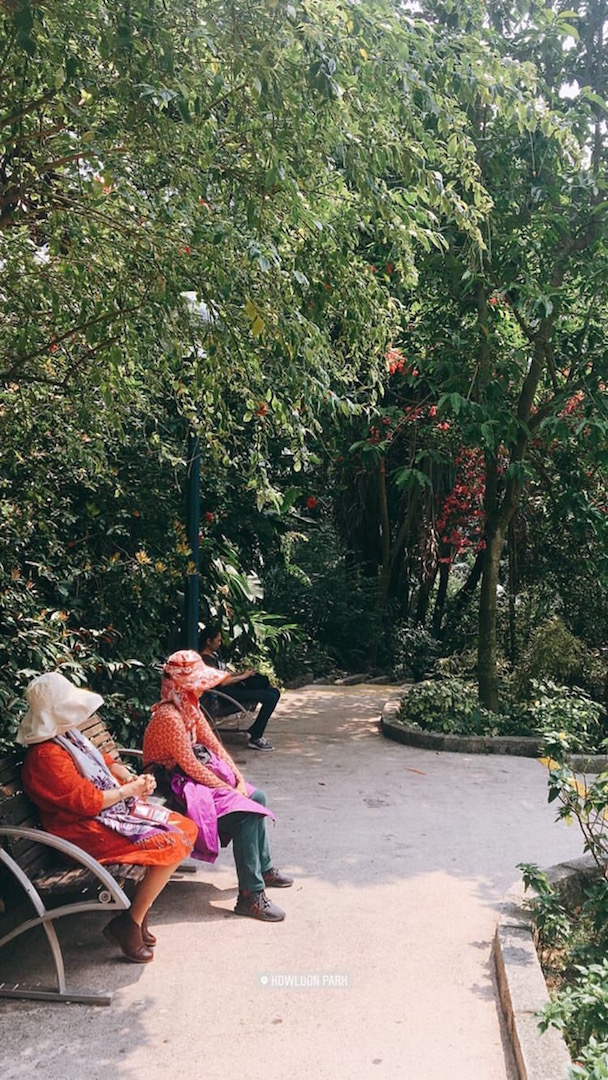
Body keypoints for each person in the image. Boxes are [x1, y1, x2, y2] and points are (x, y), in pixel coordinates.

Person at [18, 671, 198, 965]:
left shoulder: (66, 736)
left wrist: (131, 778)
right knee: (170, 841)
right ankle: (128, 923)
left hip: (103, 819)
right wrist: (131, 790)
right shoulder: (46, 757)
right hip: (78, 834)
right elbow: (88, 802)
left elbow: (106, 762)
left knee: (184, 828)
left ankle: (135, 915)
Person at [142, 650, 293, 921]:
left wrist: (237, 778)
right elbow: (191, 766)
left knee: (256, 796)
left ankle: (263, 867)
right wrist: (228, 790)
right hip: (171, 790)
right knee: (248, 813)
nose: (202, 688)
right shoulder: (169, 717)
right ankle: (251, 896)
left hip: (190, 781)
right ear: (182, 684)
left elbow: (214, 746)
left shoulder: (188, 707)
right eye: (197, 683)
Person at [198, 624, 281, 751]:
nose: (220, 643)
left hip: (230, 690)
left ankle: (255, 730)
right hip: (222, 696)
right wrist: (243, 677)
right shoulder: (205, 660)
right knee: (270, 697)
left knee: (274, 692)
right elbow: (222, 683)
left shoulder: (213, 657)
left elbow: (223, 674)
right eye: (218, 640)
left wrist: (241, 673)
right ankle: (255, 736)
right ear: (209, 641)